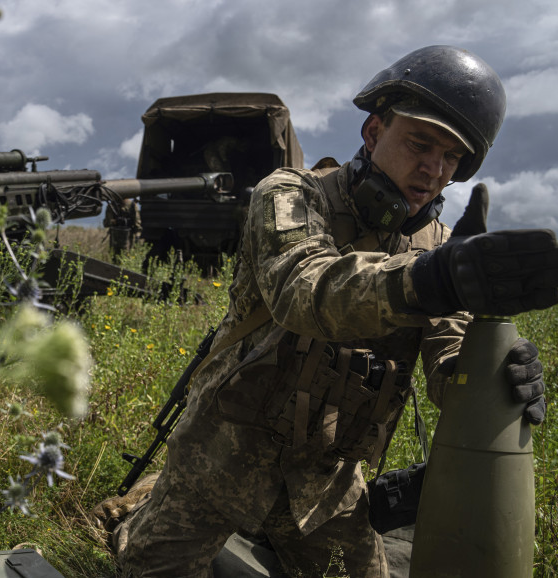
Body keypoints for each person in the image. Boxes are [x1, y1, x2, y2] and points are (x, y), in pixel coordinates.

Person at [95, 45, 557, 577]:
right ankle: (145, 510)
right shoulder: (291, 193)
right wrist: (429, 280)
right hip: (219, 457)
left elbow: (448, 360)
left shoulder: (439, 248)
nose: (433, 169)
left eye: (452, 158)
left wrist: (494, 374)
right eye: (420, 143)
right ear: (374, 132)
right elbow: (304, 289)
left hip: (324, 485)